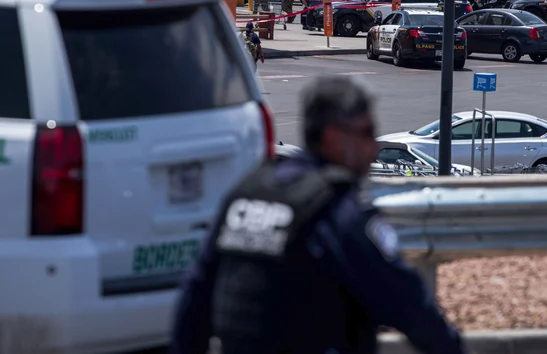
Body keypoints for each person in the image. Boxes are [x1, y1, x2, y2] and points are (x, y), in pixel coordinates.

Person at [170, 76, 466, 354]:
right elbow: (410, 306)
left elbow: (195, 296)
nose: (375, 147)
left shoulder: (247, 193)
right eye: (366, 133)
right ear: (333, 137)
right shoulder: (338, 213)